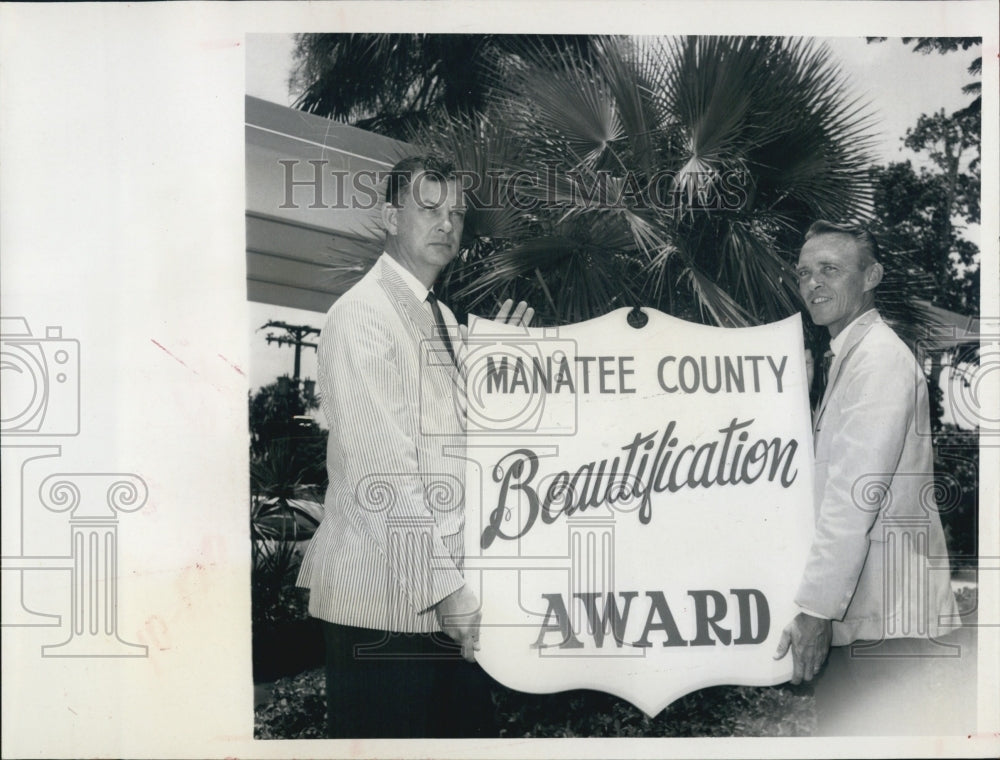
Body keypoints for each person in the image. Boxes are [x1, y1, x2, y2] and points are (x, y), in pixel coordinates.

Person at [296, 154, 530, 738]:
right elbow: (383, 477)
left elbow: (467, 444)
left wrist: (503, 368)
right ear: (389, 214)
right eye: (429, 207)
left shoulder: (447, 321)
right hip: (383, 608)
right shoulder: (361, 315)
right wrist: (447, 591)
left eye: (456, 213)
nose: (447, 223)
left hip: (444, 600)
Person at [774, 221, 970, 735]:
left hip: (880, 624)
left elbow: (853, 497)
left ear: (872, 276)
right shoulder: (852, 355)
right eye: (804, 273)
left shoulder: (879, 359)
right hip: (870, 619)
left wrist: (815, 611)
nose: (813, 283)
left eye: (830, 270)